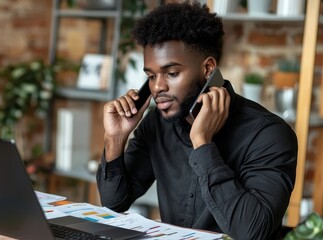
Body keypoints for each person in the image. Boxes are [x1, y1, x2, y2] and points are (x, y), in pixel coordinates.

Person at [96, 2, 298, 239]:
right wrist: (115, 139)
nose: (158, 86)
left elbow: (251, 232)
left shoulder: (269, 134)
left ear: (208, 68)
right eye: (151, 76)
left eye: (171, 73)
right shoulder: (157, 124)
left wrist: (202, 143)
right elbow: (114, 203)